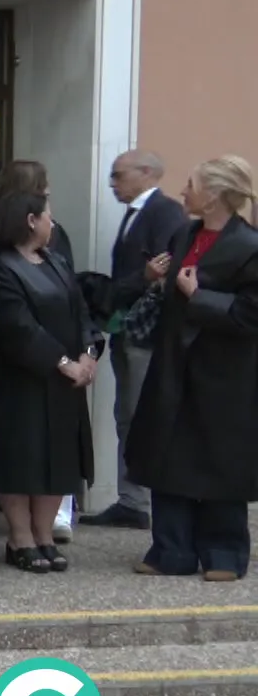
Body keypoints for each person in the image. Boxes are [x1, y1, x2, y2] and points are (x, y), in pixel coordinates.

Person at [126, 156, 258, 582]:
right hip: (173, 366)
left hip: (226, 375)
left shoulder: (250, 246)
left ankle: (224, 553)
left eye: (192, 184)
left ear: (215, 195)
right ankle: (171, 550)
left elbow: (250, 314)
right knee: (167, 456)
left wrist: (198, 296)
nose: (183, 191)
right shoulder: (185, 234)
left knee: (220, 462)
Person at [0, 192, 99, 573]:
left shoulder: (56, 261)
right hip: (19, 380)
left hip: (65, 383)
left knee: (59, 460)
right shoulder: (0, 265)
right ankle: (20, 537)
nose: (53, 223)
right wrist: (61, 362)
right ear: (30, 220)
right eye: (49, 216)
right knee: (21, 458)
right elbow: (17, 326)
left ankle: (44, 535)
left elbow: (81, 312)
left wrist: (88, 354)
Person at [92, 150, 188, 530]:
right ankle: (131, 498)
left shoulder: (164, 212)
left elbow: (160, 274)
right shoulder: (138, 213)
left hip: (145, 333)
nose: (112, 183)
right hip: (128, 328)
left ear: (146, 173)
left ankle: (138, 499)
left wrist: (128, 286)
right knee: (126, 413)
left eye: (118, 175)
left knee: (137, 413)